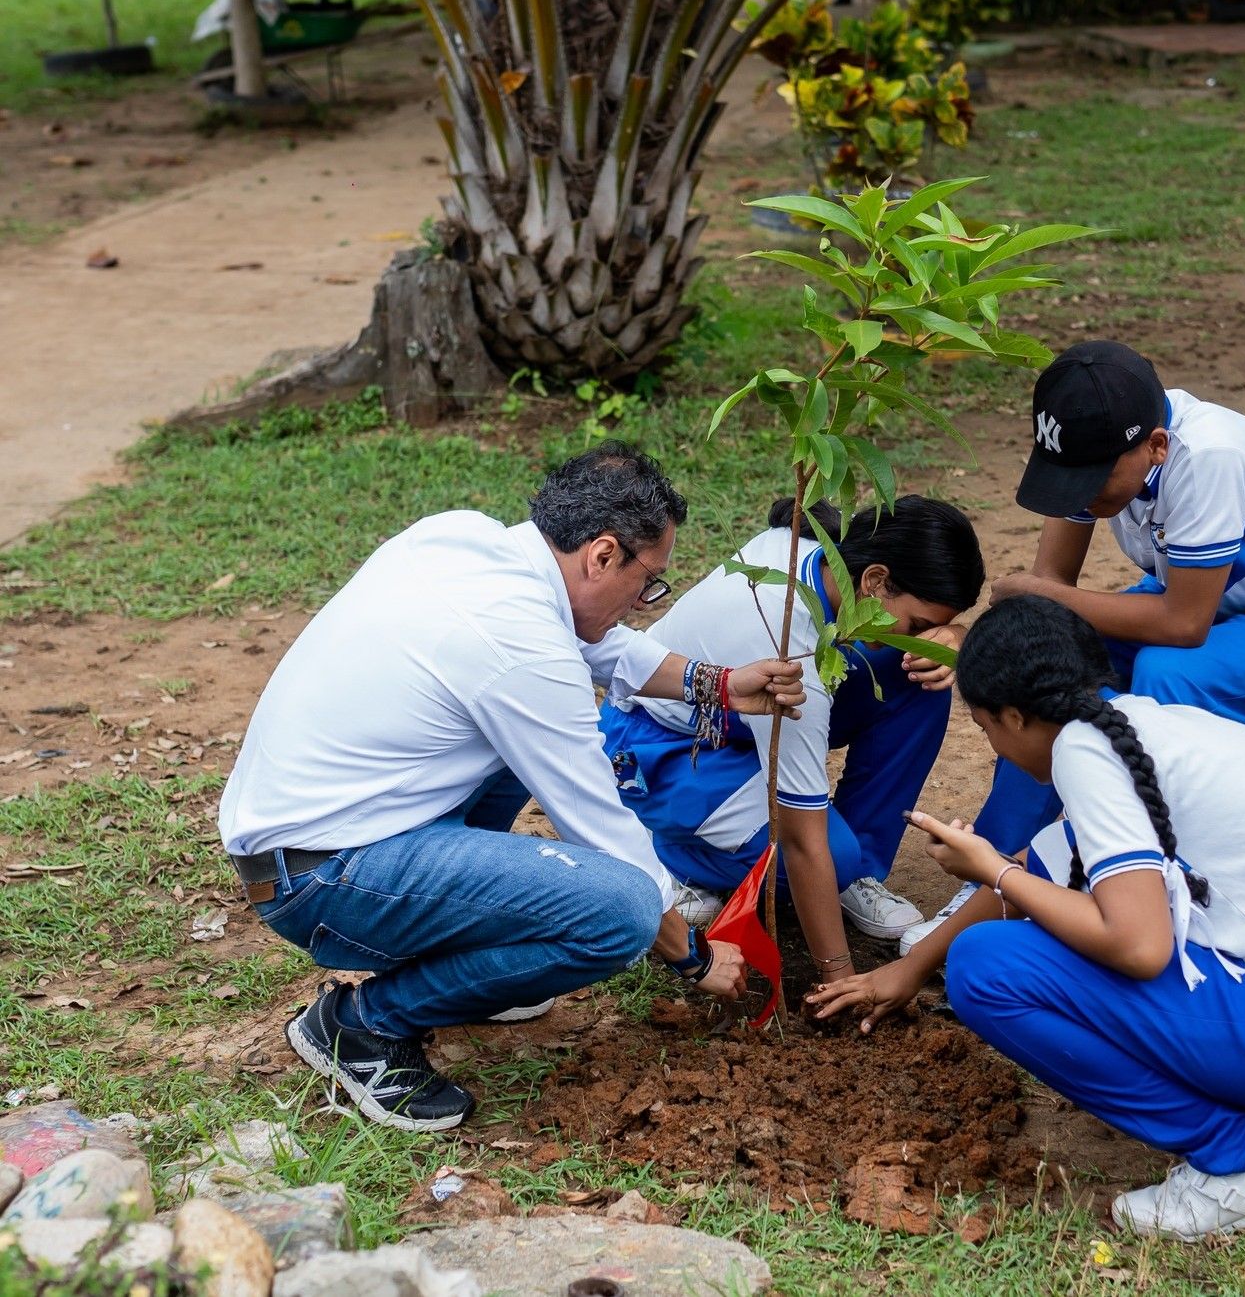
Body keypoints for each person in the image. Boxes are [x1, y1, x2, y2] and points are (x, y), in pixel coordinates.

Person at [219, 444, 806, 1132]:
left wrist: (718, 683)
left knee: (523, 781)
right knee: (620, 910)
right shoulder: (517, 645)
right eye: (649, 583)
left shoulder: (463, 539)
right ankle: (361, 1026)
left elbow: (591, 644)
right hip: (323, 877)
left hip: (315, 831)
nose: (643, 603)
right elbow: (609, 835)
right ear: (602, 555)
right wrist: (693, 954)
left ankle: (472, 963)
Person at [811, 596, 1245, 1241]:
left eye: (987, 730)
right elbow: (1041, 867)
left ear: (1013, 717)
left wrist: (992, 870)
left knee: (988, 968)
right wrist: (910, 966)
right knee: (1016, 932)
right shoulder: (1136, 727)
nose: (993, 744)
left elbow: (1138, 947)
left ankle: (1238, 1160)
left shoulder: (1085, 754)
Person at [902, 339, 1245, 952]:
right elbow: (1050, 590)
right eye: (1065, 478)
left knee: (1166, 677)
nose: (1078, 495)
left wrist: (1038, 596)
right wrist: (989, 625)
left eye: (1090, 481)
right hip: (1209, 606)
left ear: (1156, 446)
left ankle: (1130, 883)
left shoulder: (1209, 457)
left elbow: (1183, 625)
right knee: (1045, 679)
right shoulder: (1099, 449)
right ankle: (997, 872)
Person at [599, 495, 984, 982]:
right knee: (823, 852)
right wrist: (838, 974)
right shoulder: (789, 653)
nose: (921, 634)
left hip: (741, 716)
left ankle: (856, 869)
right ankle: (678, 857)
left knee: (920, 674)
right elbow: (802, 840)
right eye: (920, 624)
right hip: (664, 743)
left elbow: (926, 637)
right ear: (876, 581)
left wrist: (951, 635)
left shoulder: (827, 556)